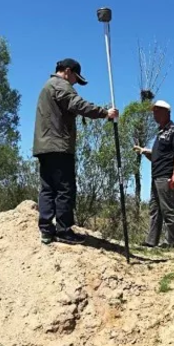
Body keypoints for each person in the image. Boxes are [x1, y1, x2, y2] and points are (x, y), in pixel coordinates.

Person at [33, 58, 119, 245]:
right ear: (67, 71)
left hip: (44, 146)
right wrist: (104, 113)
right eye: (75, 78)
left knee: (48, 188)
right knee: (65, 188)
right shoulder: (60, 85)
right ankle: (63, 230)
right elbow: (77, 104)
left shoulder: (47, 86)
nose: (75, 83)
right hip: (59, 146)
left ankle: (46, 231)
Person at [133, 100, 174, 248]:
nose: (154, 115)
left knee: (168, 209)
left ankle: (172, 242)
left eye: (157, 111)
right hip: (156, 176)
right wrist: (144, 151)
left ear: (166, 112)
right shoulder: (160, 132)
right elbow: (157, 157)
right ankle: (151, 241)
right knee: (155, 209)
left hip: (167, 176)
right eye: (153, 112)